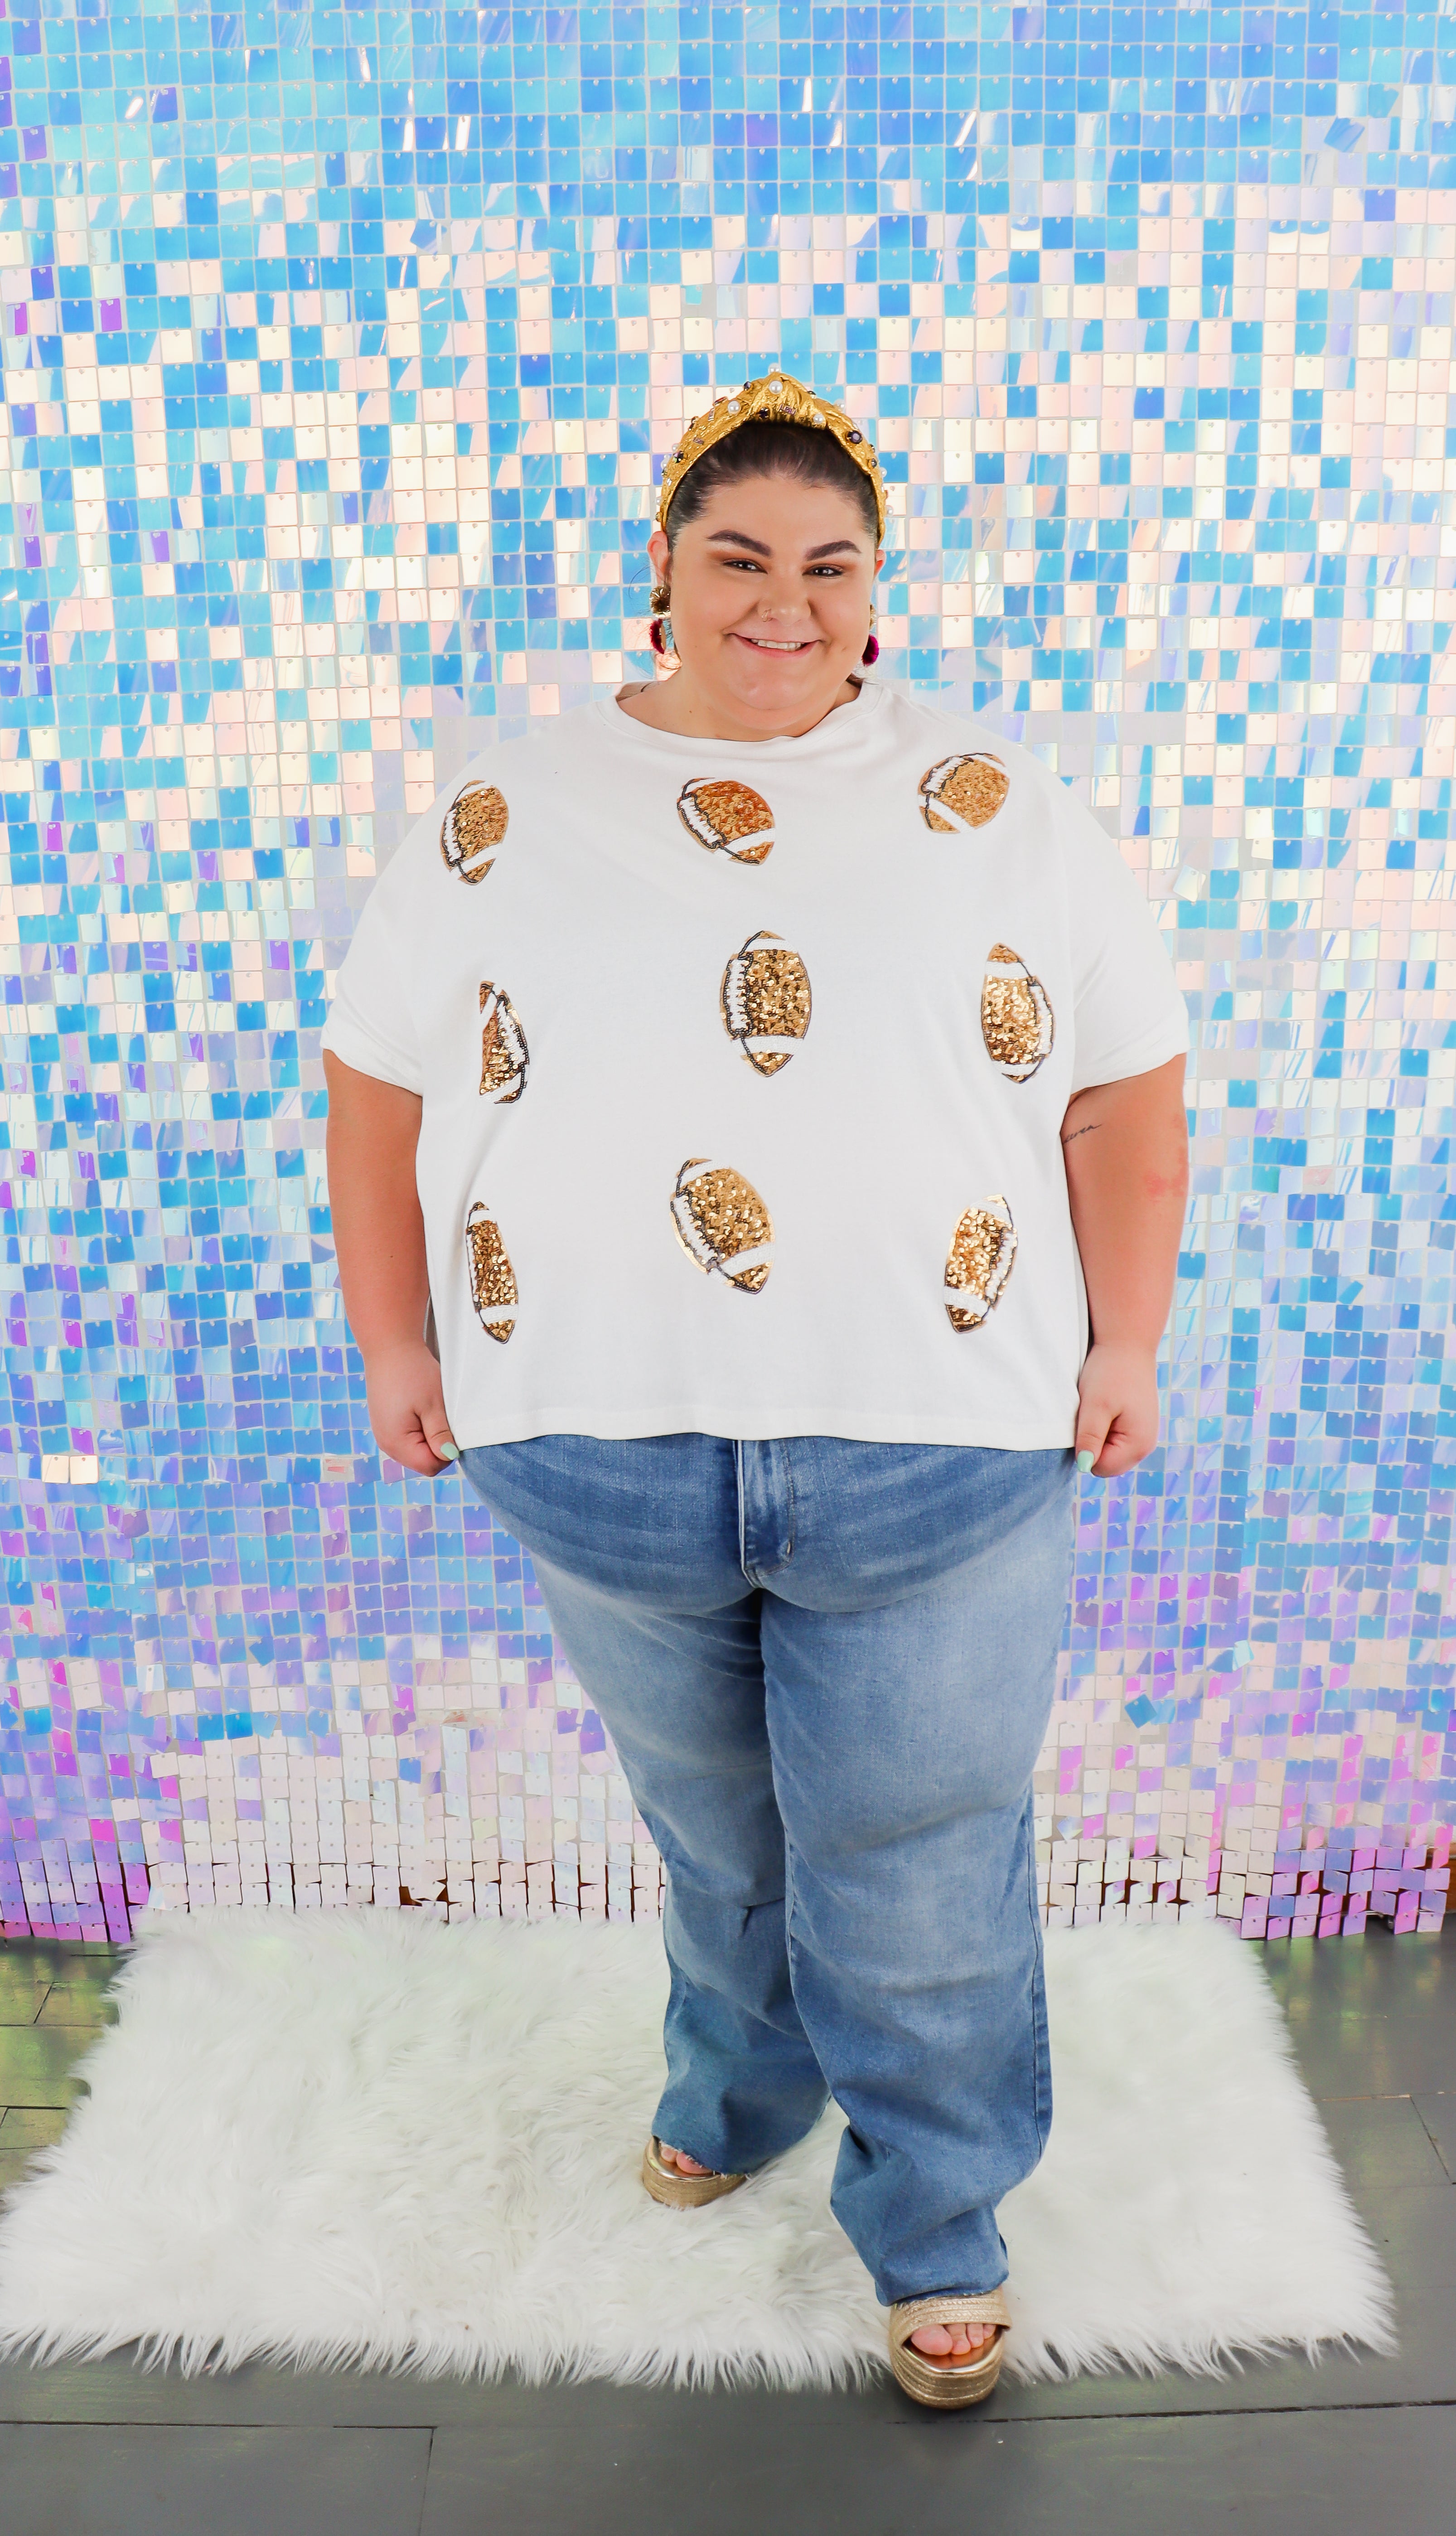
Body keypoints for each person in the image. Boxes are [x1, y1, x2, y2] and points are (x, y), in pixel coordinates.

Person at [320, 370, 1190, 2409]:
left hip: (938, 1447)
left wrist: (1129, 1336)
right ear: (664, 571)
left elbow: (1121, 1095)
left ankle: (941, 2217)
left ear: (877, 588)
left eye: (829, 564)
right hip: (596, 1446)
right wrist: (394, 1336)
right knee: (717, 1834)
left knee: (919, 1852)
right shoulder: (506, 808)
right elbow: (377, 1089)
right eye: (739, 558)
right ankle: (739, 2082)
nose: (783, 604)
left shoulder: (1001, 804)